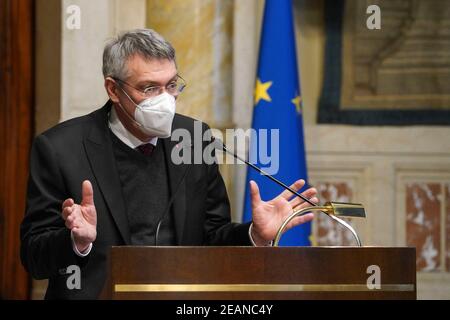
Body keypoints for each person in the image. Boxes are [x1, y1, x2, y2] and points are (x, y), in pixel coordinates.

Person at [20, 29, 318, 299]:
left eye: (171, 85)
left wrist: (255, 235)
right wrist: (75, 241)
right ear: (113, 90)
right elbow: (34, 258)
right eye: (149, 88)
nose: (165, 100)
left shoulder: (195, 138)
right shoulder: (60, 148)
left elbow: (212, 238)